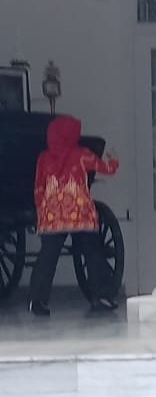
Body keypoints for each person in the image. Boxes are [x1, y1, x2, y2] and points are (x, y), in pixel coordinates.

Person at [28, 115, 119, 316]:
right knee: (93, 252)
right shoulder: (82, 155)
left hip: (52, 217)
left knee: (48, 256)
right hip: (80, 214)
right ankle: (101, 296)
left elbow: (39, 188)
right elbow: (107, 169)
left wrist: (41, 211)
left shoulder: (44, 158)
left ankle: (37, 300)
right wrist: (114, 159)